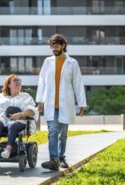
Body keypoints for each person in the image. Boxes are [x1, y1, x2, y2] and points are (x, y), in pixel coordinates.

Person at [36, 33, 87, 171]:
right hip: (51, 104)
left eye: (57, 46)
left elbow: (78, 83)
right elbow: (42, 81)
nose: (54, 49)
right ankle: (54, 159)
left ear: (63, 45)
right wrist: (40, 100)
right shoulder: (47, 62)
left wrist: (81, 103)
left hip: (66, 104)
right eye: (52, 47)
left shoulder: (73, 63)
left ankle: (61, 157)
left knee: (62, 134)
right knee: (52, 131)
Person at [0, 74, 39, 159]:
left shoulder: (26, 97)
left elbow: (32, 111)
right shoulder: (0, 96)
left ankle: (8, 150)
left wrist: (21, 114)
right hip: (0, 119)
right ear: (9, 85)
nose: (18, 82)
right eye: (15, 80)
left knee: (12, 125)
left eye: (19, 80)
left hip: (18, 121)